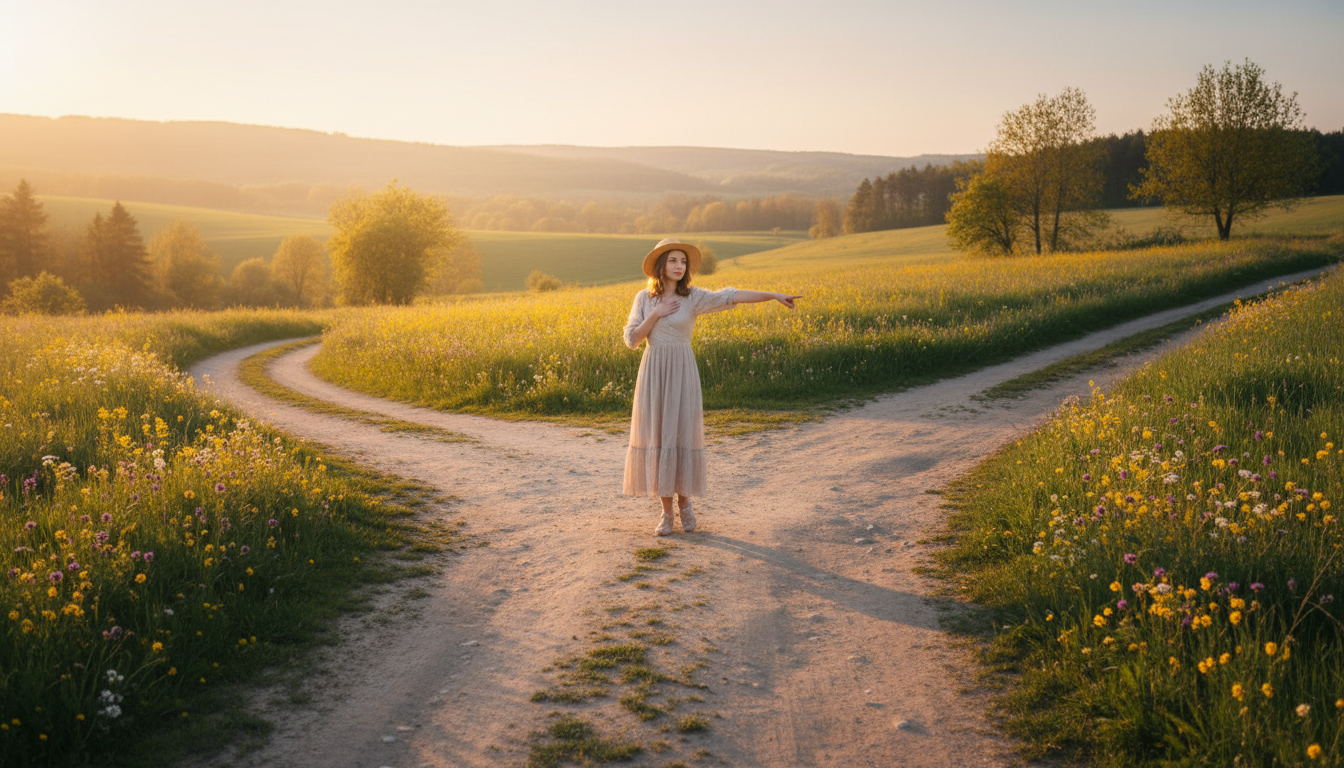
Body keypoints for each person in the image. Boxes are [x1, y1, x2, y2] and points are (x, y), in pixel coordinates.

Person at [622, 237, 801, 535]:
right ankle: (666, 514)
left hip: (682, 370)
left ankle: (686, 506)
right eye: (673, 260)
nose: (679, 266)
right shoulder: (643, 298)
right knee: (660, 436)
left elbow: (731, 295)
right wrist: (657, 312)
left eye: (683, 261)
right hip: (654, 373)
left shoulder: (693, 297)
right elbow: (632, 340)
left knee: (682, 434)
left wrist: (772, 295)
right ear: (661, 265)